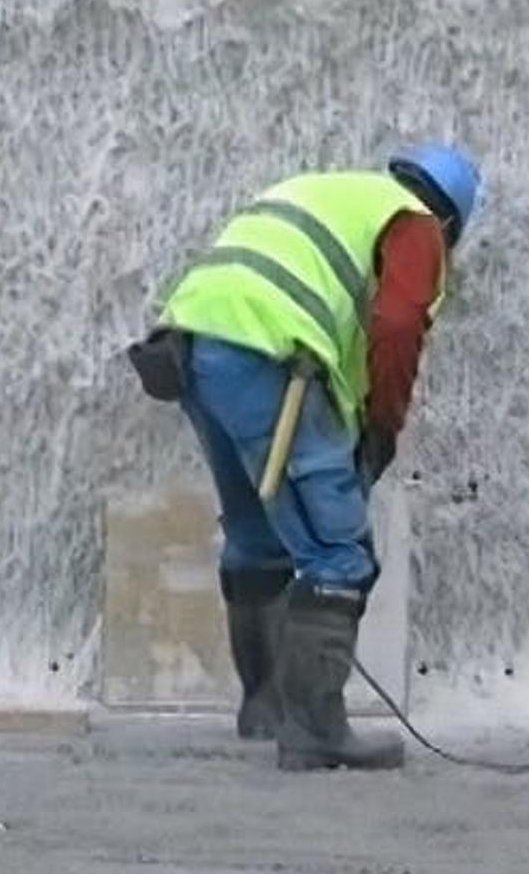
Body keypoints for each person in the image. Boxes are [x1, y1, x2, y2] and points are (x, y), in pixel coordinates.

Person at [131, 143, 479, 772]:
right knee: (339, 553)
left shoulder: (326, 190)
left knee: (256, 535)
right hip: (267, 355)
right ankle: (316, 728)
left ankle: (262, 708)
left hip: (193, 347)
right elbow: (399, 327)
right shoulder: (416, 225)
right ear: (450, 221)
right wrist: (381, 429)